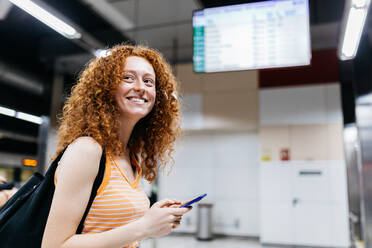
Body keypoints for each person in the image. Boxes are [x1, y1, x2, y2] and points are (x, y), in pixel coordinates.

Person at [42, 44, 191, 248]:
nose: (140, 87)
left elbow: (111, 228)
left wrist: (155, 217)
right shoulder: (87, 150)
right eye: (128, 78)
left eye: (148, 81)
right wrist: (144, 227)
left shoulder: (131, 156)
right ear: (106, 88)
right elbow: (55, 246)